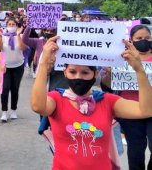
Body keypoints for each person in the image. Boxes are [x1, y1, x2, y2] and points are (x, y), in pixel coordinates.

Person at [30, 35, 152, 170]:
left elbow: (146, 110)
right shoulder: (56, 99)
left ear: (94, 74)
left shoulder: (107, 101)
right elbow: (37, 106)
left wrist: (139, 70)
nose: (78, 77)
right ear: (65, 73)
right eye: (72, 71)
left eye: (85, 72)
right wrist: (43, 65)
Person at [101, 25, 152, 169]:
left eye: (147, 38)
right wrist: (109, 73)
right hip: (130, 110)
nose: (144, 40)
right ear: (131, 40)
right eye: (139, 38)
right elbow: (110, 85)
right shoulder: (121, 58)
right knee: (135, 149)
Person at [0, 18, 26, 122]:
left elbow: (23, 48)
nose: (11, 26)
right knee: (5, 88)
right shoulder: (2, 36)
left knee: (15, 88)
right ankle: (4, 111)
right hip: (5, 67)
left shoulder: (20, 36)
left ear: (16, 26)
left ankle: (13, 110)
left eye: (13, 24)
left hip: (18, 66)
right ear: (6, 25)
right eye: (9, 24)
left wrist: (18, 35)